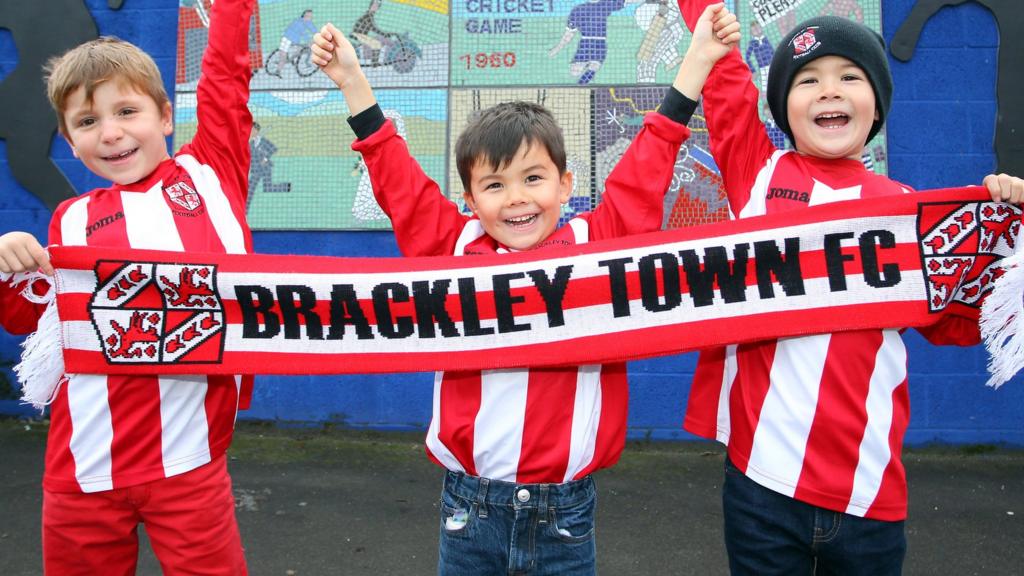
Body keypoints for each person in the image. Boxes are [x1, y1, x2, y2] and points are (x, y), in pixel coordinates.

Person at [311, 4, 739, 573]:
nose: (515, 198)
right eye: (494, 184)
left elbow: (650, 160)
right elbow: (398, 180)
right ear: (470, 200)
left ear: (565, 185)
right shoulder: (453, 250)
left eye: (533, 178)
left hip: (565, 514)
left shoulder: (599, 243)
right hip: (469, 509)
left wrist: (699, 60)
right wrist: (351, 80)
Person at [676, 5, 1024, 575]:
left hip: (870, 495)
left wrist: (1006, 230)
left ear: (877, 104)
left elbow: (970, 321)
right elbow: (726, 81)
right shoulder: (758, 173)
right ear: (784, 107)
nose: (827, 91)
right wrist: (705, 13)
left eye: (849, 77)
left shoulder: (908, 214)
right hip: (761, 484)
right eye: (808, 80)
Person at [0, 0, 256, 572]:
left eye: (127, 111)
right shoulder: (69, 218)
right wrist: (6, 264)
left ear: (166, 116)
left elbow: (227, 73)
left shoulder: (209, 171)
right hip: (81, 469)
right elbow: (27, 321)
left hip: (189, 463)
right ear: (69, 141)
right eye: (87, 122)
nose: (111, 134)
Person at [248, 121, 292, 211]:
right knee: (255, 189)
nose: (250, 131)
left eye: (252, 129)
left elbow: (273, 148)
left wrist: (266, 158)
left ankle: (287, 187)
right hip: (256, 169)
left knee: (264, 188)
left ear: (256, 130)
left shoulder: (263, 141)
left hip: (265, 168)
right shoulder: (251, 143)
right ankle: (245, 210)